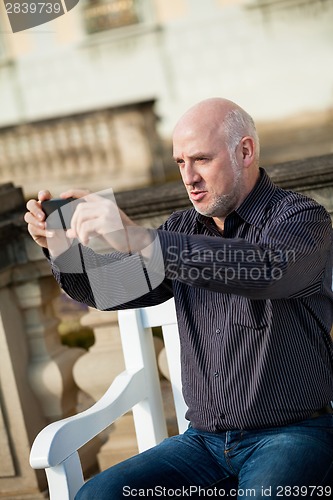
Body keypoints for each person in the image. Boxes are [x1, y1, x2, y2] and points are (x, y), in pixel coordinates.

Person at [25, 98, 333, 499]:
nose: (189, 178)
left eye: (201, 159)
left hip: (294, 434)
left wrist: (142, 240)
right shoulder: (181, 227)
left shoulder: (301, 218)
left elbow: (266, 271)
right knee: (97, 496)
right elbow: (109, 290)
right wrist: (62, 249)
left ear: (245, 151)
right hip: (200, 445)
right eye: (180, 163)